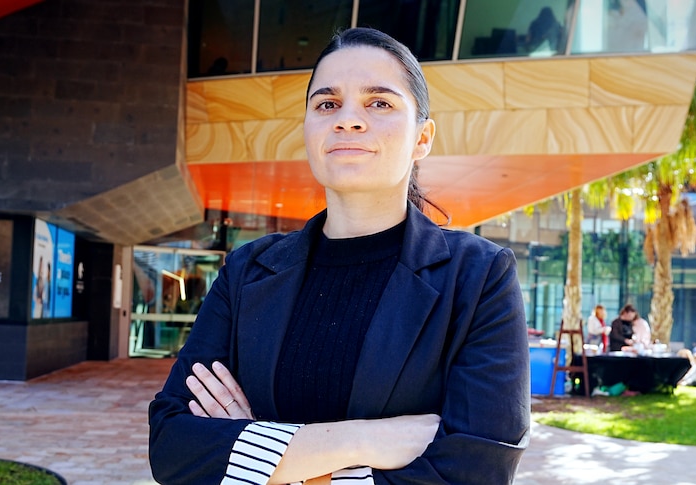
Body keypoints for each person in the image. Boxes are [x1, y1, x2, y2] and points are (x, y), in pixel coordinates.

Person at [149, 27, 530, 485]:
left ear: (422, 138)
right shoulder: (247, 272)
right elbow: (173, 447)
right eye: (327, 104)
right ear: (308, 128)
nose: (348, 120)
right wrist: (359, 441)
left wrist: (258, 455)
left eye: (379, 103)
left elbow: (476, 471)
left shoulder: (479, 277)